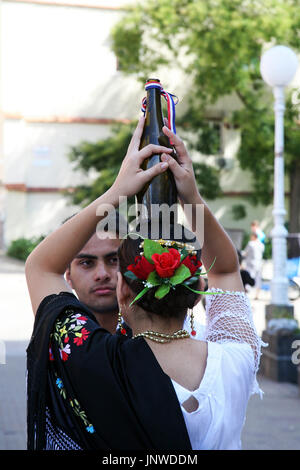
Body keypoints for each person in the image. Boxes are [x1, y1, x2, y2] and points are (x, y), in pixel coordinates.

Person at [25, 116, 264, 450]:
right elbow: (226, 269)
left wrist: (118, 191)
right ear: (195, 295)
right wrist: (191, 196)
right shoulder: (234, 359)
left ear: (124, 289)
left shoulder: (91, 359)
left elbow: (40, 266)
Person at [243, 232, 265, 300]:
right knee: (258, 280)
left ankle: (245, 294)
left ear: (253, 237)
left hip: (251, 264)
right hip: (259, 264)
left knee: (248, 279)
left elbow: (245, 253)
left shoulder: (251, 244)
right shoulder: (261, 245)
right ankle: (257, 295)